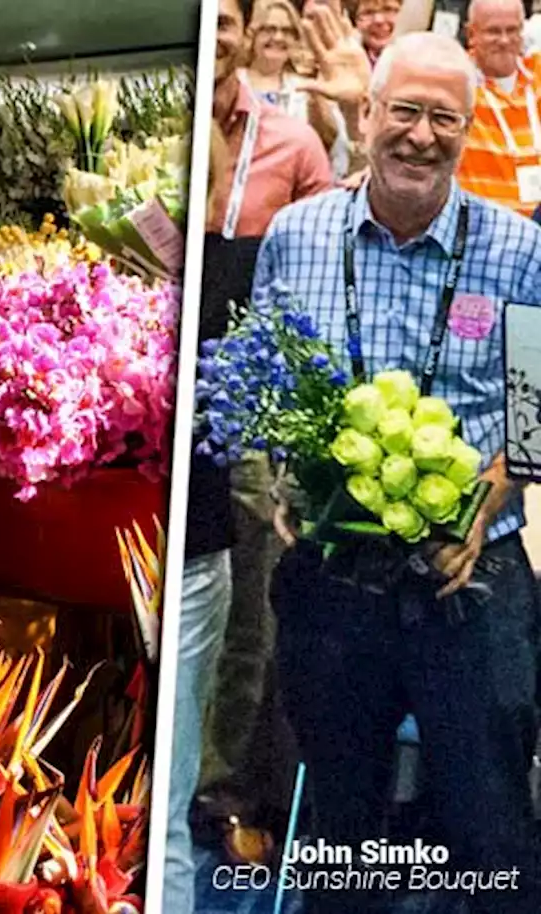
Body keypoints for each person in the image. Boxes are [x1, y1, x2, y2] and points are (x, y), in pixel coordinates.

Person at [254, 31, 541, 913]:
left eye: (444, 118)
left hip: (471, 584)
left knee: (490, 821)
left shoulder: (517, 249)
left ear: (469, 126)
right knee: (337, 825)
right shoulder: (296, 236)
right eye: (405, 112)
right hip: (334, 588)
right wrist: (280, 483)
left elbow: (535, 419)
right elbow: (264, 380)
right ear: (368, 115)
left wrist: (482, 505)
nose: (421, 136)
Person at [163, 2, 335, 909]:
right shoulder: (157, 133)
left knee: (250, 598)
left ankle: (220, 786)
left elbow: (313, 269)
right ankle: (171, 765)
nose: (218, 29)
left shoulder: (294, 144)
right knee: (174, 595)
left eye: (226, 15)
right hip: (154, 393)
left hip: (248, 403)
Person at [241, 0, 354, 176]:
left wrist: (316, 103)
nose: (278, 37)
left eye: (287, 31)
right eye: (269, 29)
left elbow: (335, 147)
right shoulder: (234, 82)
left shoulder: (307, 86)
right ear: (253, 35)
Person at [458, 0, 541, 217]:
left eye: (512, 30)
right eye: (493, 31)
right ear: (471, 34)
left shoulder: (538, 74)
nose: (504, 40)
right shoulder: (457, 83)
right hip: (487, 233)